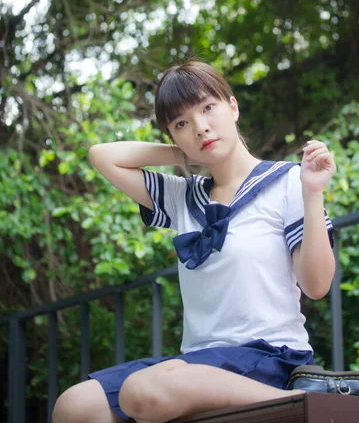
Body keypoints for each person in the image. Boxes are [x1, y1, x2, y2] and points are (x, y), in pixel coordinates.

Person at [53, 59, 338, 423]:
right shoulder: (183, 197)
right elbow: (102, 156)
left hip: (271, 357)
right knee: (74, 406)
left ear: (232, 106)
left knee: (143, 390)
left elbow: (316, 286)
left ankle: (300, 401)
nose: (201, 127)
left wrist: (312, 194)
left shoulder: (288, 181)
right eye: (182, 123)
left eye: (208, 108)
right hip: (198, 366)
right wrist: (183, 152)